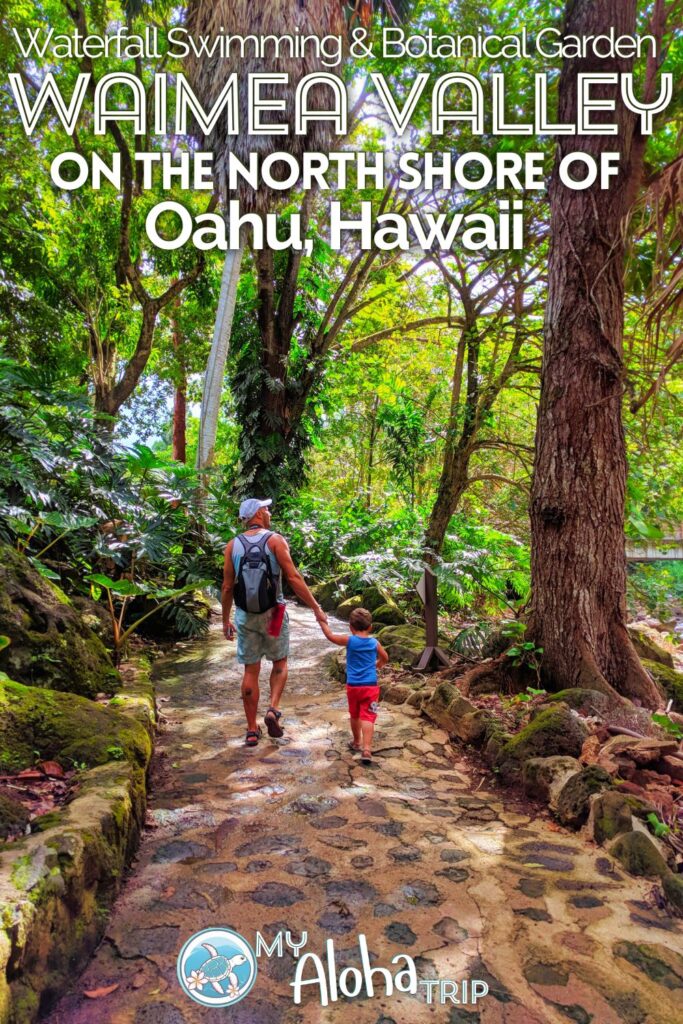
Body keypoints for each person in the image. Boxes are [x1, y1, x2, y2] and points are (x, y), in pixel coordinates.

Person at [222, 497, 328, 747]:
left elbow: (227, 586)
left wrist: (226, 619)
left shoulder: (232, 546)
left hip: (246, 615)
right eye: (266, 508)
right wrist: (316, 607)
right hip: (275, 613)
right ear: (258, 513)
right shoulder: (275, 540)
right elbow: (292, 577)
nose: (269, 511)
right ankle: (273, 709)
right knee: (279, 662)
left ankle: (250, 730)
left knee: (251, 669)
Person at [319, 607, 388, 765]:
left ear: (350, 627)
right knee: (368, 716)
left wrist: (322, 621)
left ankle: (356, 742)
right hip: (370, 687)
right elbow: (385, 657)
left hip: (353, 687)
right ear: (370, 627)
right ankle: (367, 749)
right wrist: (377, 665)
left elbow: (330, 636)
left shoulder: (349, 641)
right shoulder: (374, 642)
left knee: (355, 715)